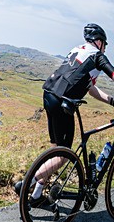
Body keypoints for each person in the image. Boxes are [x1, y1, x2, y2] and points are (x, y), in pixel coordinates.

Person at [18, 23, 114, 203]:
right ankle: (26, 184)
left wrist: (111, 100)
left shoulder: (78, 50)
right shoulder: (97, 56)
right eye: (105, 44)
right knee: (63, 155)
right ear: (99, 42)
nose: (105, 48)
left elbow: (90, 88)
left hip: (49, 95)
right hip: (62, 102)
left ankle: (37, 194)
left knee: (56, 148)